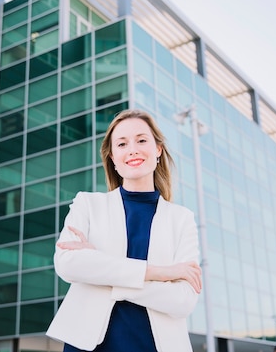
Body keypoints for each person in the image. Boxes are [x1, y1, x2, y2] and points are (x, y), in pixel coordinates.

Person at [46, 109, 202, 352]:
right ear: (112, 157)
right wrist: (159, 272)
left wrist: (102, 272)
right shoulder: (88, 204)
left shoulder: (181, 219)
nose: (133, 149)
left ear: (158, 149)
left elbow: (182, 300)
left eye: (141, 140)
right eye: (122, 144)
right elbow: (67, 264)